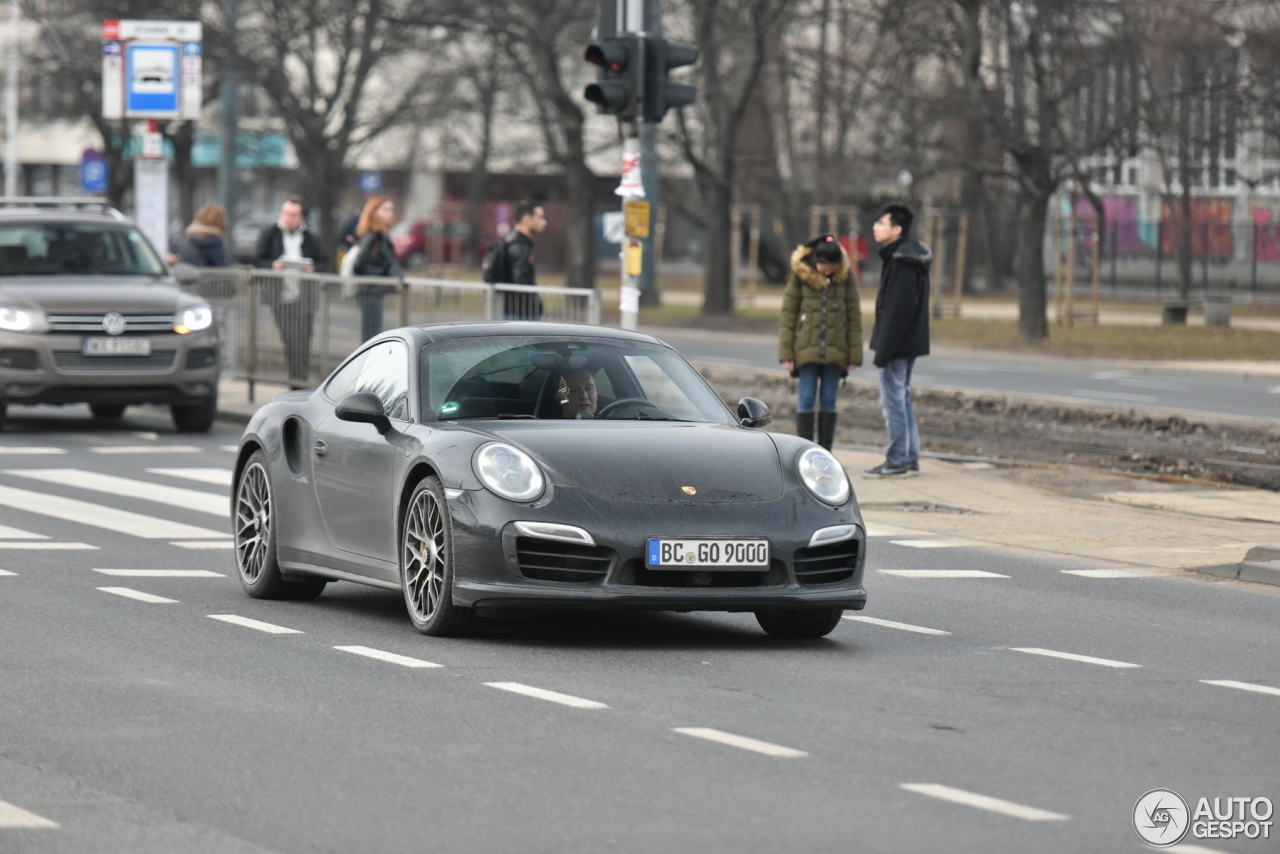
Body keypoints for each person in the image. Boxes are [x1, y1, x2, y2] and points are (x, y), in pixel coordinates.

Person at [777, 234, 863, 450]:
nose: (828, 271)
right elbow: (789, 314)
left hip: (837, 352)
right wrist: (787, 352)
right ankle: (805, 449)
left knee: (829, 400)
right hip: (806, 351)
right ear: (816, 261)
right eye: (825, 266)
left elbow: (854, 317)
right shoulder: (800, 275)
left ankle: (825, 451)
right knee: (805, 397)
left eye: (833, 267)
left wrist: (854, 355)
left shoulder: (845, 278)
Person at [867, 202, 932, 477]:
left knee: (894, 400)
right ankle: (909, 457)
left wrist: (883, 352)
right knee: (902, 398)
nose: (875, 227)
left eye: (881, 223)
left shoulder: (902, 262)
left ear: (897, 229)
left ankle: (896, 459)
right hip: (907, 343)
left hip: (897, 345)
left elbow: (896, 312)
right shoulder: (906, 257)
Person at [253, 195, 328, 388]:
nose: (289, 218)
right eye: (286, 213)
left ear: (302, 217)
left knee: (304, 342)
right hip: (281, 299)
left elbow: (323, 262)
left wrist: (313, 269)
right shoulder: (270, 234)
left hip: (304, 299)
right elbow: (257, 260)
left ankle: (298, 381)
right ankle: (296, 381)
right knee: (291, 341)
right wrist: (273, 265)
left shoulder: (311, 238)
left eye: (294, 215)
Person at [351, 195, 404, 342]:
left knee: (374, 334)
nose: (391, 213)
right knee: (371, 338)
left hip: (376, 292)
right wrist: (382, 275)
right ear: (373, 213)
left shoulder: (381, 236)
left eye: (391, 209)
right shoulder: (372, 237)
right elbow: (359, 265)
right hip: (370, 292)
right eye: (386, 210)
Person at [491, 199, 546, 320]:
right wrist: (534, 305)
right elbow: (521, 280)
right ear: (527, 219)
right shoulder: (518, 246)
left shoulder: (513, 242)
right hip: (520, 314)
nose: (544, 222)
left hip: (515, 312)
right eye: (540, 218)